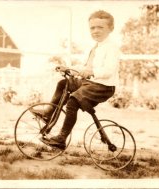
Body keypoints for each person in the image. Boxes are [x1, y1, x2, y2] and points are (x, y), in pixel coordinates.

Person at [31, 10, 120, 150]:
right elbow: (85, 67)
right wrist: (69, 68)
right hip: (91, 83)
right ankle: (48, 113)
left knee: (73, 101)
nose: (96, 31)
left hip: (103, 87)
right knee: (63, 83)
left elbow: (108, 70)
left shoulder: (112, 48)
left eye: (100, 27)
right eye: (92, 28)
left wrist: (90, 72)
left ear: (111, 29)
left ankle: (61, 139)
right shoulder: (95, 47)